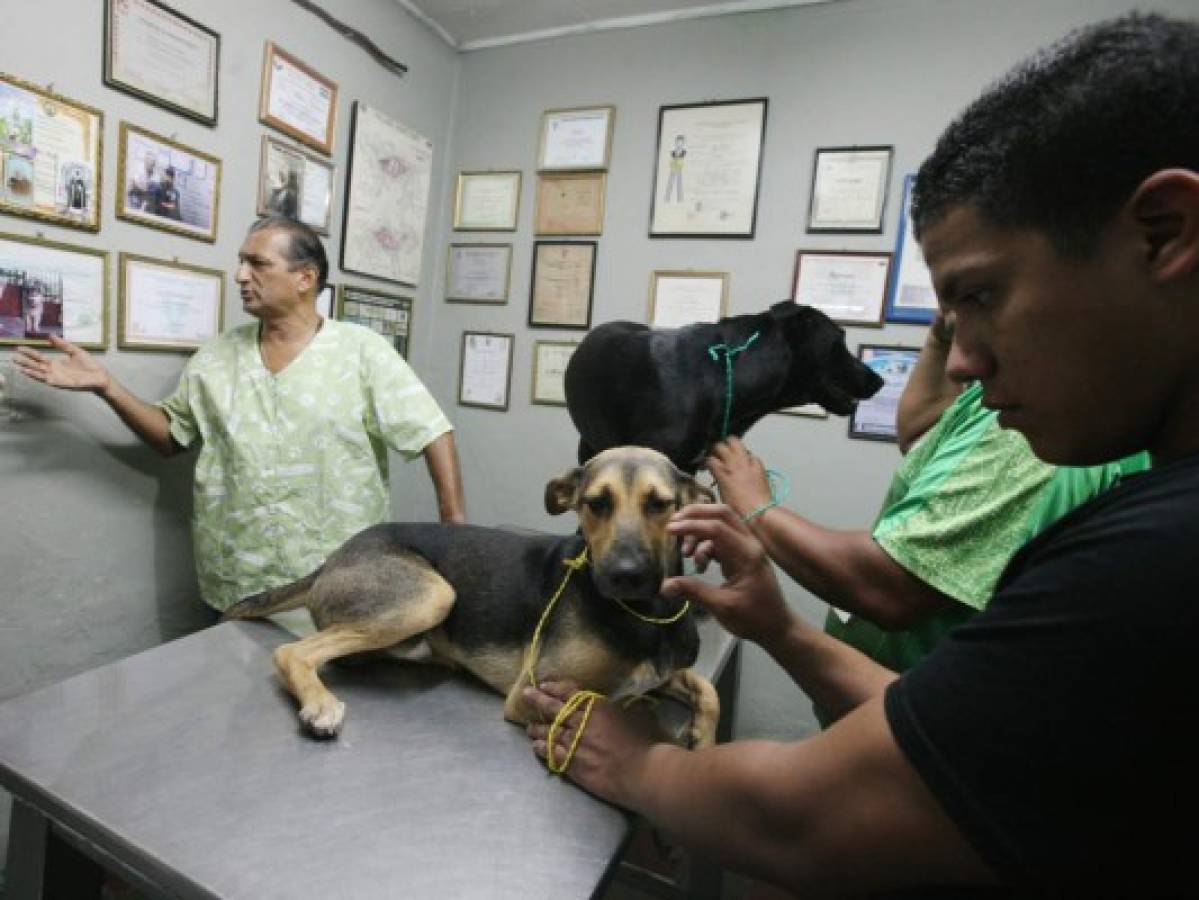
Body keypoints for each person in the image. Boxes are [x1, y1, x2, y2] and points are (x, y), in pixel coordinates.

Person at [522, 13, 1199, 895]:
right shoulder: (1143, 497)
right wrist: (782, 630)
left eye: (981, 296)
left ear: (1162, 234)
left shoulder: (1156, 554)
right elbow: (962, 741)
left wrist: (636, 762)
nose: (959, 359)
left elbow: (802, 819)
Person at [14, 216, 466, 614]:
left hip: (338, 578)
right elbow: (171, 438)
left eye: (257, 264)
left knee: (328, 697)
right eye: (240, 262)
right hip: (237, 580)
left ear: (305, 277)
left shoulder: (362, 351)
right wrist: (106, 387)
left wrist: (454, 531)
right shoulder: (216, 356)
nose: (240, 275)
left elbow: (432, 430)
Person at [708, 309, 1147, 679]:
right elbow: (918, 433)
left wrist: (756, 507)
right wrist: (940, 335)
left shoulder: (1032, 436)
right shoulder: (1001, 388)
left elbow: (891, 588)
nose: (957, 366)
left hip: (923, 723)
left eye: (975, 295)